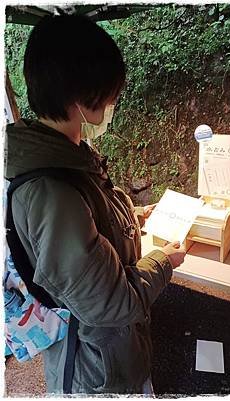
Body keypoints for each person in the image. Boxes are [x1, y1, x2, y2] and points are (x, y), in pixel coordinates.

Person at [4, 15, 186, 394]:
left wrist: (133, 217)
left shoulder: (67, 158)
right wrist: (164, 260)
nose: (112, 102)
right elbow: (111, 303)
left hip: (110, 354)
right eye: (109, 93)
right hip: (95, 372)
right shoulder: (51, 190)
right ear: (82, 97)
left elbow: (90, 227)